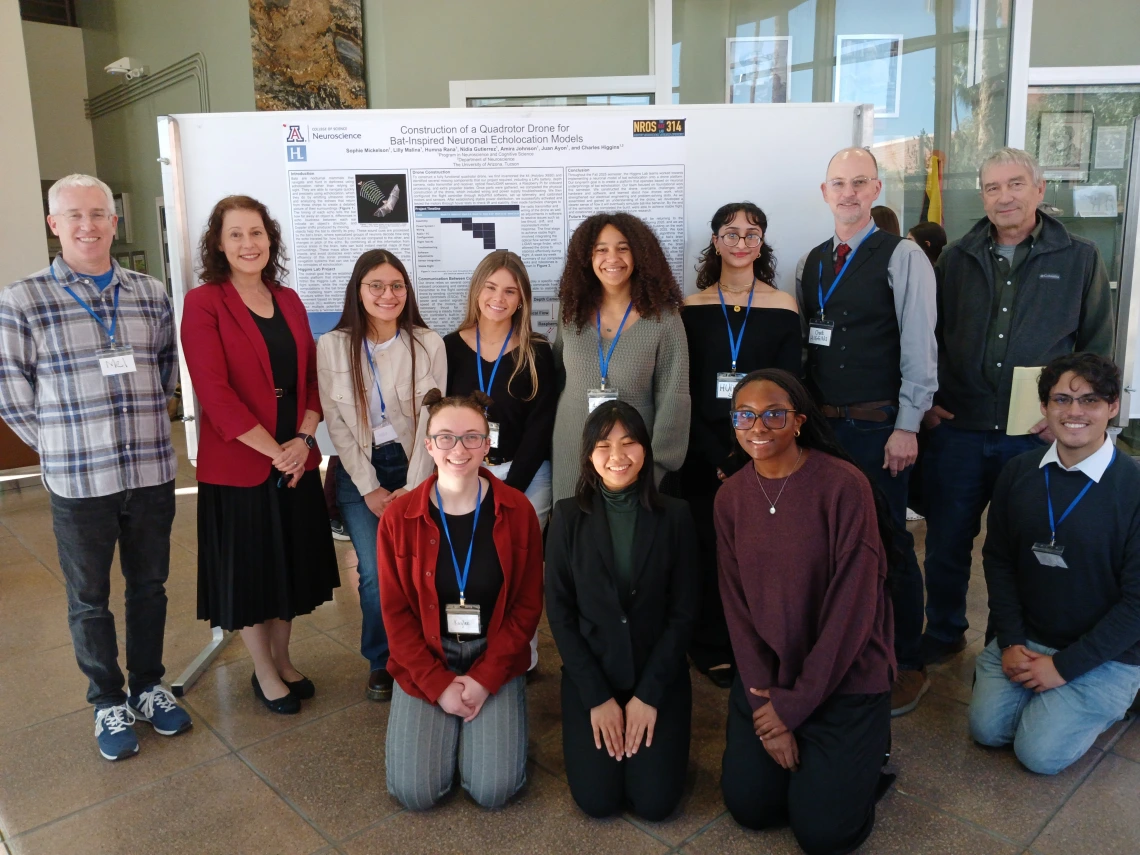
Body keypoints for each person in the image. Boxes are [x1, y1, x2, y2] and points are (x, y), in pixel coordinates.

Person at [0, 173, 191, 760]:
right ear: (54, 225)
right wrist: (62, 447)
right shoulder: (22, 299)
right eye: (73, 215)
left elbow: (166, 375)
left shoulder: (150, 292)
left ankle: (149, 687)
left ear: (114, 222)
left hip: (151, 471)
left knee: (150, 588)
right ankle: (107, 699)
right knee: (88, 597)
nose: (88, 225)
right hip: (80, 481)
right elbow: (11, 394)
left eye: (98, 213)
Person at [921, 147, 1116, 664]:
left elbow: (1095, 350)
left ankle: (1009, 641)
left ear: (1039, 189)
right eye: (991, 187)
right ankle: (942, 632)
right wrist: (931, 400)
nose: (1003, 196)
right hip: (959, 428)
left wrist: (1069, 418)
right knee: (946, 542)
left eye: (1014, 185)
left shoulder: (1080, 257)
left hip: (1032, 436)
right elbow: (931, 336)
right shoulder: (956, 258)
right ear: (981, 194)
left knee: (1028, 547)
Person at [716, 369, 895, 855]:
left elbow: (854, 610)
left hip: (844, 676)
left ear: (798, 420)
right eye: (745, 415)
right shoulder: (730, 496)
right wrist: (763, 708)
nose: (759, 426)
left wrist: (792, 707)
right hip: (769, 675)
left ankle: (869, 752)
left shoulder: (843, 485)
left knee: (824, 835)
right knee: (752, 809)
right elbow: (736, 606)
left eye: (774, 414)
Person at [181, 195, 339, 716]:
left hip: (295, 454)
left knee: (289, 566)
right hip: (242, 465)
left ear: (270, 239)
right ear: (218, 244)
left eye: (257, 233)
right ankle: (264, 671)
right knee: (251, 574)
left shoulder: (289, 299)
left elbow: (312, 380)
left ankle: (284, 657)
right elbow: (214, 392)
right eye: (236, 234)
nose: (248, 244)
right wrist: (278, 453)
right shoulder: (205, 302)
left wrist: (305, 441)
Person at [796, 147, 937, 716]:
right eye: (838, 184)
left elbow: (920, 349)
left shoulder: (903, 255)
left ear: (876, 188)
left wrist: (908, 425)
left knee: (889, 544)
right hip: (823, 433)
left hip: (880, 431)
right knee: (831, 547)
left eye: (859, 182)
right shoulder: (813, 261)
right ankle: (847, 650)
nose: (849, 193)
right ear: (824, 192)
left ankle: (907, 659)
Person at [970, 353, 1140, 775]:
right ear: (1044, 407)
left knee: (1039, 755)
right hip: (1029, 638)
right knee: (986, 730)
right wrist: (1010, 641)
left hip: (1105, 655)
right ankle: (1045, 697)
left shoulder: (1134, 488)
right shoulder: (1018, 472)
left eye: (1091, 401)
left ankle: (1116, 697)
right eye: (1062, 399)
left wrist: (1063, 668)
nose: (1075, 412)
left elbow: (1137, 606)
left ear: (1113, 407)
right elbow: (998, 560)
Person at [378, 390, 543, 810]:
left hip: (494, 653)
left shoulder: (518, 510)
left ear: (487, 445)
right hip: (427, 654)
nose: (459, 448)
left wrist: (485, 679)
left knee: (493, 791)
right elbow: (396, 617)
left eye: (472, 437)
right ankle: (445, 725)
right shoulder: (399, 518)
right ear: (429, 445)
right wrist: (438, 686)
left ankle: (480, 722)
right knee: (416, 794)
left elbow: (526, 607)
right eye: (446, 438)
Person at [545, 401, 699, 820]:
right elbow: (559, 613)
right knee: (597, 801)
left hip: (658, 679)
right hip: (593, 678)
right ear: (588, 455)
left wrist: (649, 695)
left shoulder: (676, 516)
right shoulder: (566, 517)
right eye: (603, 445)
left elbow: (684, 612)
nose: (617, 456)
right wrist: (597, 696)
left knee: (655, 804)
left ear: (645, 450)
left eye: (629, 443)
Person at [316, 249, 446, 702]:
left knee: (420, 567)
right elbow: (335, 424)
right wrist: (370, 487)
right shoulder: (332, 345)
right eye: (377, 286)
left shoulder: (428, 342)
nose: (387, 294)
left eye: (396, 286)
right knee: (374, 571)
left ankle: (424, 652)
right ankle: (381, 660)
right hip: (360, 471)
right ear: (358, 290)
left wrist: (413, 486)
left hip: (417, 465)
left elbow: (435, 420)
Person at [680, 202, 799, 688]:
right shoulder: (690, 308)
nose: (741, 242)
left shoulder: (784, 306)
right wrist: (717, 456)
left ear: (762, 241)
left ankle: (759, 644)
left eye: (751, 233)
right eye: (730, 233)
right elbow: (681, 387)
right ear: (715, 241)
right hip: (700, 453)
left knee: (760, 555)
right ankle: (710, 643)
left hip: (764, 452)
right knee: (707, 553)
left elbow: (787, 389)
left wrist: (749, 452)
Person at [445, 250, 555, 674]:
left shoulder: (538, 351)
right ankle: (470, 650)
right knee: (472, 567)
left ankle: (520, 655)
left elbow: (540, 426)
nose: (499, 297)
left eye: (510, 290)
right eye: (491, 287)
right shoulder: (448, 347)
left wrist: (510, 487)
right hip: (463, 474)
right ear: (477, 290)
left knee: (518, 568)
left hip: (524, 477)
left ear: (522, 299)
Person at [551, 212, 689, 503]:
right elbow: (557, 377)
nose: (611, 258)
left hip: (632, 456)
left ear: (640, 254)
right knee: (575, 534)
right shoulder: (571, 310)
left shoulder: (664, 317)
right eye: (601, 249)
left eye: (623, 248)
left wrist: (659, 463)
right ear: (586, 258)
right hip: (572, 447)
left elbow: (673, 394)